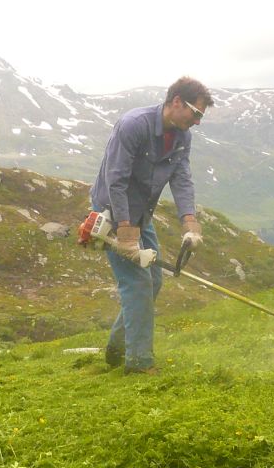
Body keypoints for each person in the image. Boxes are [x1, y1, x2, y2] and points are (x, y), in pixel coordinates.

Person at [89, 76, 214, 374]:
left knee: (154, 280)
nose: (197, 122)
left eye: (201, 116)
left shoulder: (183, 136)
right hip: (114, 212)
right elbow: (115, 179)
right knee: (137, 283)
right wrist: (125, 231)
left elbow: (181, 178)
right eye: (195, 114)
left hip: (142, 213)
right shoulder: (134, 125)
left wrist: (190, 222)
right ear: (175, 102)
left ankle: (117, 347)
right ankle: (139, 363)